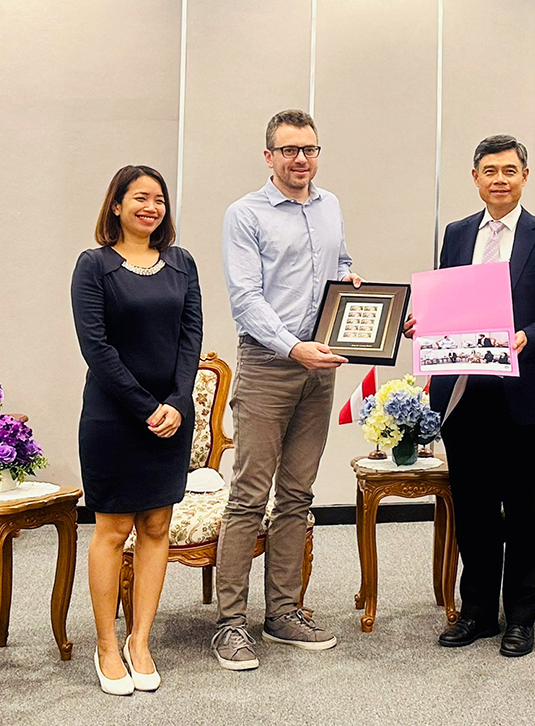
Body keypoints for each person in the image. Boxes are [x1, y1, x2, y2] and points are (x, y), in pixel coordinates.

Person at [405, 135, 535, 657]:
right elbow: (447, 304)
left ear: (524, 176)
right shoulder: (458, 234)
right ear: (476, 178)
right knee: (475, 511)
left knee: (523, 512)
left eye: (509, 170)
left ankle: (521, 618)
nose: (499, 179)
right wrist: (425, 325)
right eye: (489, 170)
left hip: (520, 396)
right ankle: (478, 612)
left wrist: (530, 336)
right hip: (463, 396)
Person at [213, 109, 362, 670]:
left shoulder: (331, 206)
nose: (302, 159)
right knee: (249, 495)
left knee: (298, 493)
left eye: (310, 149)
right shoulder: (244, 214)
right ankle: (230, 624)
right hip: (269, 362)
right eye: (290, 150)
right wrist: (292, 347)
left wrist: (350, 281)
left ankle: (282, 612)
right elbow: (245, 298)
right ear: (270, 156)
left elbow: (340, 262)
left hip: (320, 365)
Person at [71, 165, 203, 695]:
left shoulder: (182, 263)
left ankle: (140, 640)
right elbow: (95, 346)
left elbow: (190, 338)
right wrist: (145, 406)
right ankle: (107, 644)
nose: (151, 207)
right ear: (117, 206)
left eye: (159, 199)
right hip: (114, 416)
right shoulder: (94, 265)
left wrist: (176, 402)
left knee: (155, 530)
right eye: (140, 198)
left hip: (171, 418)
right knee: (113, 530)